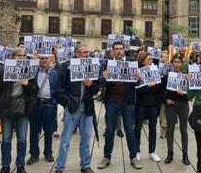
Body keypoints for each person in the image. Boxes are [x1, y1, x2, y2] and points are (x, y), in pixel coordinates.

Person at [54, 44, 99, 173]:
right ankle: (60, 166)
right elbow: (59, 89)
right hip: (72, 107)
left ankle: (85, 165)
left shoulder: (91, 66)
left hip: (87, 107)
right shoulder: (66, 67)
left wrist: (91, 85)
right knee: (66, 139)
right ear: (78, 53)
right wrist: (67, 103)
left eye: (87, 52)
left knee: (86, 138)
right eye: (85, 52)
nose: (87, 54)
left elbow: (96, 89)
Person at [97, 42, 142, 170]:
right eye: (116, 49)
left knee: (129, 130)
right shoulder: (106, 63)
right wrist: (103, 77)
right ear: (112, 51)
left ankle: (133, 157)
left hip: (127, 101)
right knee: (110, 130)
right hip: (111, 101)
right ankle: (107, 157)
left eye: (121, 49)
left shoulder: (131, 62)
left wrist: (138, 78)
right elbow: (99, 82)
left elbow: (138, 83)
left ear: (124, 50)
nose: (118, 51)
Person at [0, 48, 38, 173]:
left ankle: (20, 165)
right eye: (19, 55)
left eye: (24, 55)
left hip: (23, 109)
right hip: (7, 108)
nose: (22, 57)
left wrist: (27, 84)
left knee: (22, 139)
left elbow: (35, 90)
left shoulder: (29, 71)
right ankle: (5, 166)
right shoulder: (5, 71)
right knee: (6, 139)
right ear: (12, 57)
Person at [27, 54, 59, 165]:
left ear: (50, 59)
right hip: (36, 104)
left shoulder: (54, 73)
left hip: (49, 104)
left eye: (46, 58)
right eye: (41, 58)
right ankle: (34, 154)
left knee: (48, 130)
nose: (44, 60)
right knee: (33, 131)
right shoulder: (32, 72)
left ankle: (48, 153)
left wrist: (54, 101)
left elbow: (57, 88)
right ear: (38, 60)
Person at [134, 52, 163, 162]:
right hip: (141, 104)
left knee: (153, 128)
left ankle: (152, 151)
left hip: (153, 105)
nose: (151, 61)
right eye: (148, 59)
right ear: (142, 61)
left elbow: (159, 89)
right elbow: (136, 90)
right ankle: (136, 151)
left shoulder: (155, 71)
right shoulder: (138, 73)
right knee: (137, 128)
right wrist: (148, 86)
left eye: (151, 59)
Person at [162, 54, 190, 165]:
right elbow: (161, 92)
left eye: (179, 62)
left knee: (184, 130)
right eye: (175, 62)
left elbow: (191, 94)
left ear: (182, 64)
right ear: (172, 64)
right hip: (171, 105)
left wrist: (183, 93)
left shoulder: (186, 76)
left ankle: (185, 154)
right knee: (170, 130)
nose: (177, 64)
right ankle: (170, 153)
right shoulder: (167, 76)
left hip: (183, 104)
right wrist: (166, 100)